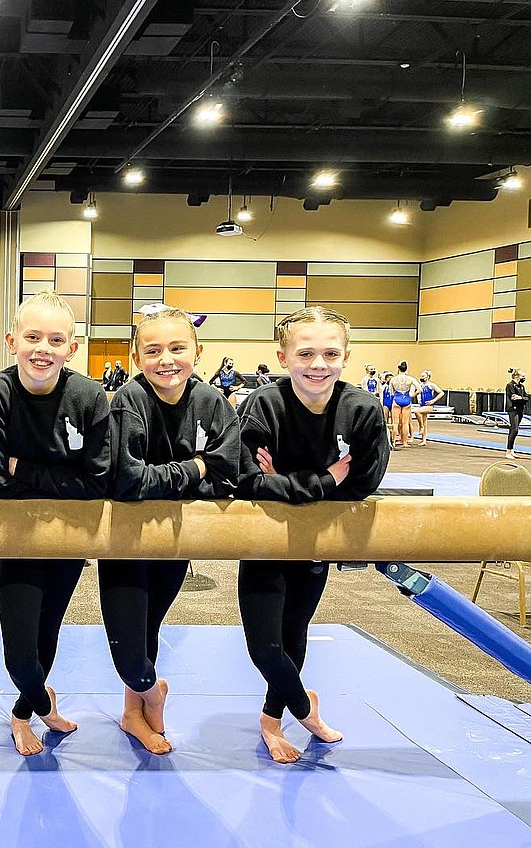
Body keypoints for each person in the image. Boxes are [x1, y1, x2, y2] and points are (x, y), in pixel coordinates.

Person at [235, 306, 389, 763]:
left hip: (317, 540)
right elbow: (247, 481)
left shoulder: (361, 409)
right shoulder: (264, 404)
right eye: (305, 353)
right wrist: (325, 480)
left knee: (294, 632)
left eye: (329, 353)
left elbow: (364, 480)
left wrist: (283, 481)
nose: (317, 364)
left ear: (346, 356)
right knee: (265, 647)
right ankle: (305, 711)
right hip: (266, 539)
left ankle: (272, 718)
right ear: (283, 357)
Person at [0, 290, 111, 756]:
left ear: (72, 348)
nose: (42, 349)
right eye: (32, 337)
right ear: (12, 340)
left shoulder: (89, 396)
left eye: (55, 339)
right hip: (18, 537)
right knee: (18, 652)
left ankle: (22, 715)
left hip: (67, 539)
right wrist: (56, 478)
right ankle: (39, 701)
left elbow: (96, 481)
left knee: (48, 632)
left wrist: (21, 470)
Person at [103, 304, 239, 754]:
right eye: (154, 350)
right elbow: (127, 480)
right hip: (127, 540)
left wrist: (173, 477)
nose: (167, 359)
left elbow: (227, 479)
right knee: (130, 656)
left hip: (176, 539)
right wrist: (196, 467)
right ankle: (147, 690)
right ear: (137, 356)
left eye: (178, 348)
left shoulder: (212, 402)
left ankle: (131, 714)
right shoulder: (128, 399)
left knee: (149, 629)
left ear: (197, 351)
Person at [389, 361, 418, 447]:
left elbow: (391, 392)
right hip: (406, 398)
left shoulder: (393, 379)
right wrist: (412, 395)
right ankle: (405, 442)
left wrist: (396, 394)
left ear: (398, 369)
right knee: (405, 423)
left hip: (397, 398)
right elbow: (419, 388)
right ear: (406, 369)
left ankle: (394, 441)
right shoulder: (411, 379)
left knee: (395, 422)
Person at [413, 370, 445, 446]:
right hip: (422, 405)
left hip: (429, 406)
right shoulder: (420, 385)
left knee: (416, 412)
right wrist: (419, 399)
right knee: (424, 421)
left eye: (423, 376)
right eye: (420, 376)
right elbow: (418, 393)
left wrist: (433, 401)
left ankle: (421, 427)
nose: (421, 377)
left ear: (427, 377)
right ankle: (424, 440)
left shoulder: (431, 385)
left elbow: (441, 393)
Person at [505, 368, 527, 459]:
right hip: (513, 409)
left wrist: (520, 398)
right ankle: (508, 452)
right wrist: (520, 398)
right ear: (516, 376)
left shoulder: (522, 387)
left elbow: (526, 398)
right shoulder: (510, 385)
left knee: (513, 430)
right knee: (515, 429)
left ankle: (511, 450)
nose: (524, 378)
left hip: (520, 409)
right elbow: (513, 397)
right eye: (522, 376)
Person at [379, 371, 396, 446]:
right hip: (386, 404)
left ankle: (393, 438)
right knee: (385, 421)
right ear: (386, 380)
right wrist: (381, 405)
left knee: (394, 422)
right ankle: (385, 437)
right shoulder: (383, 387)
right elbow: (381, 397)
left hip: (393, 404)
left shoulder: (395, 388)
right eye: (389, 379)